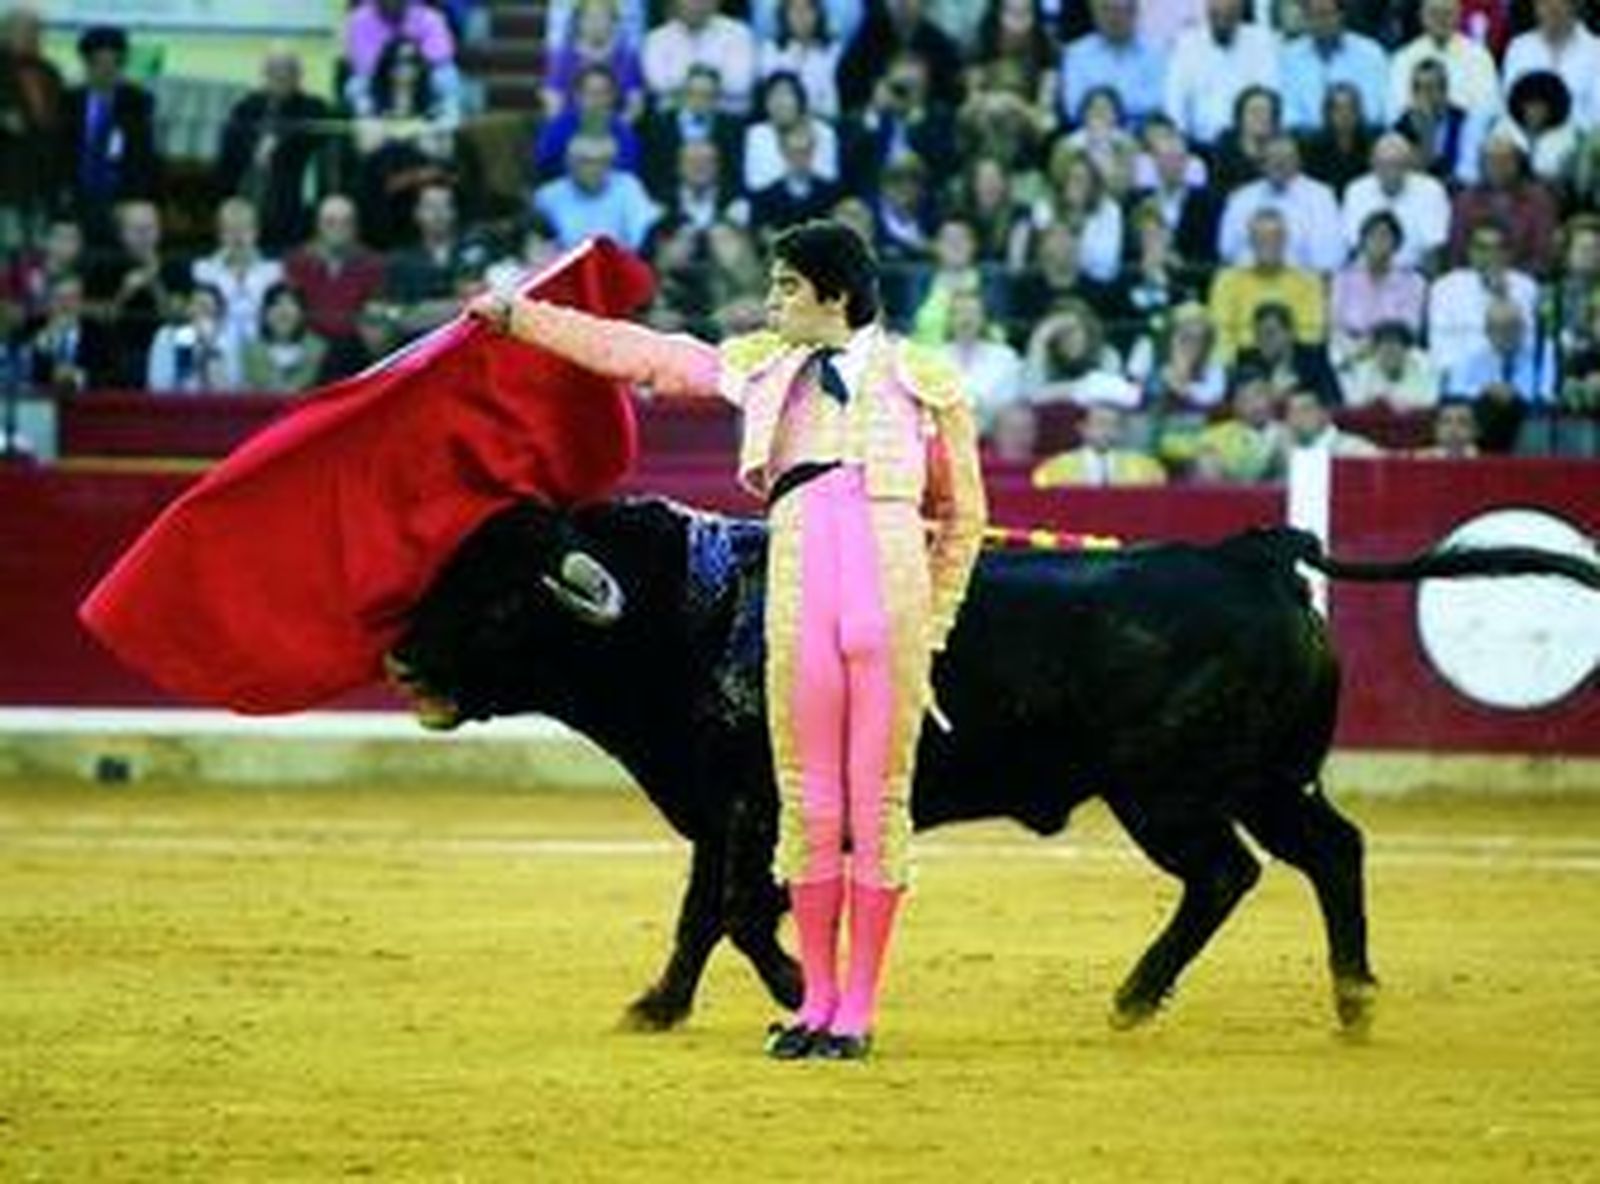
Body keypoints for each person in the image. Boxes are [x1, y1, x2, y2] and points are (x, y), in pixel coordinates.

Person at [468, 219, 986, 1061]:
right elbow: (649, 355)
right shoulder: (766, 367)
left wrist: (931, 631)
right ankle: (815, 1002)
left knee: (875, 805)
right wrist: (522, 317)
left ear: (835, 295)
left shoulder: (925, 381)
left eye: (786, 286)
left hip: (887, 604)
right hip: (801, 591)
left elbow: (963, 519)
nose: (771, 299)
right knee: (810, 801)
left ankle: (856, 1009)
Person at [216, 47, 333, 251]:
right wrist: (255, 149)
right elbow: (230, 148)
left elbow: (312, 134)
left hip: (291, 194)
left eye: (288, 71)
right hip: (249, 190)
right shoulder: (247, 107)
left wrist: (278, 141)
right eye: (274, 71)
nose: (281, 77)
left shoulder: (312, 106)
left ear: (299, 76)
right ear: (265, 75)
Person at [58, 25, 159, 244]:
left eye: (114, 63)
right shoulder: (68, 101)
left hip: (122, 200)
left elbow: (144, 157)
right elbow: (59, 153)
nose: (106, 70)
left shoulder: (137, 102)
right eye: (99, 63)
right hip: (76, 198)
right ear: (86, 64)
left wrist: (134, 200)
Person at [1031, 401, 1166, 487]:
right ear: (1083, 428)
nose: (1106, 431)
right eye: (1100, 423)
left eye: (1113, 425)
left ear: (1121, 431)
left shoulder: (1145, 468)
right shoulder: (1055, 468)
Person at [242, 283, 328, 393]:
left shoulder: (319, 348)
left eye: (291, 304)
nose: (283, 311)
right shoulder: (252, 350)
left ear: (302, 312)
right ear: (264, 313)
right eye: (276, 304)